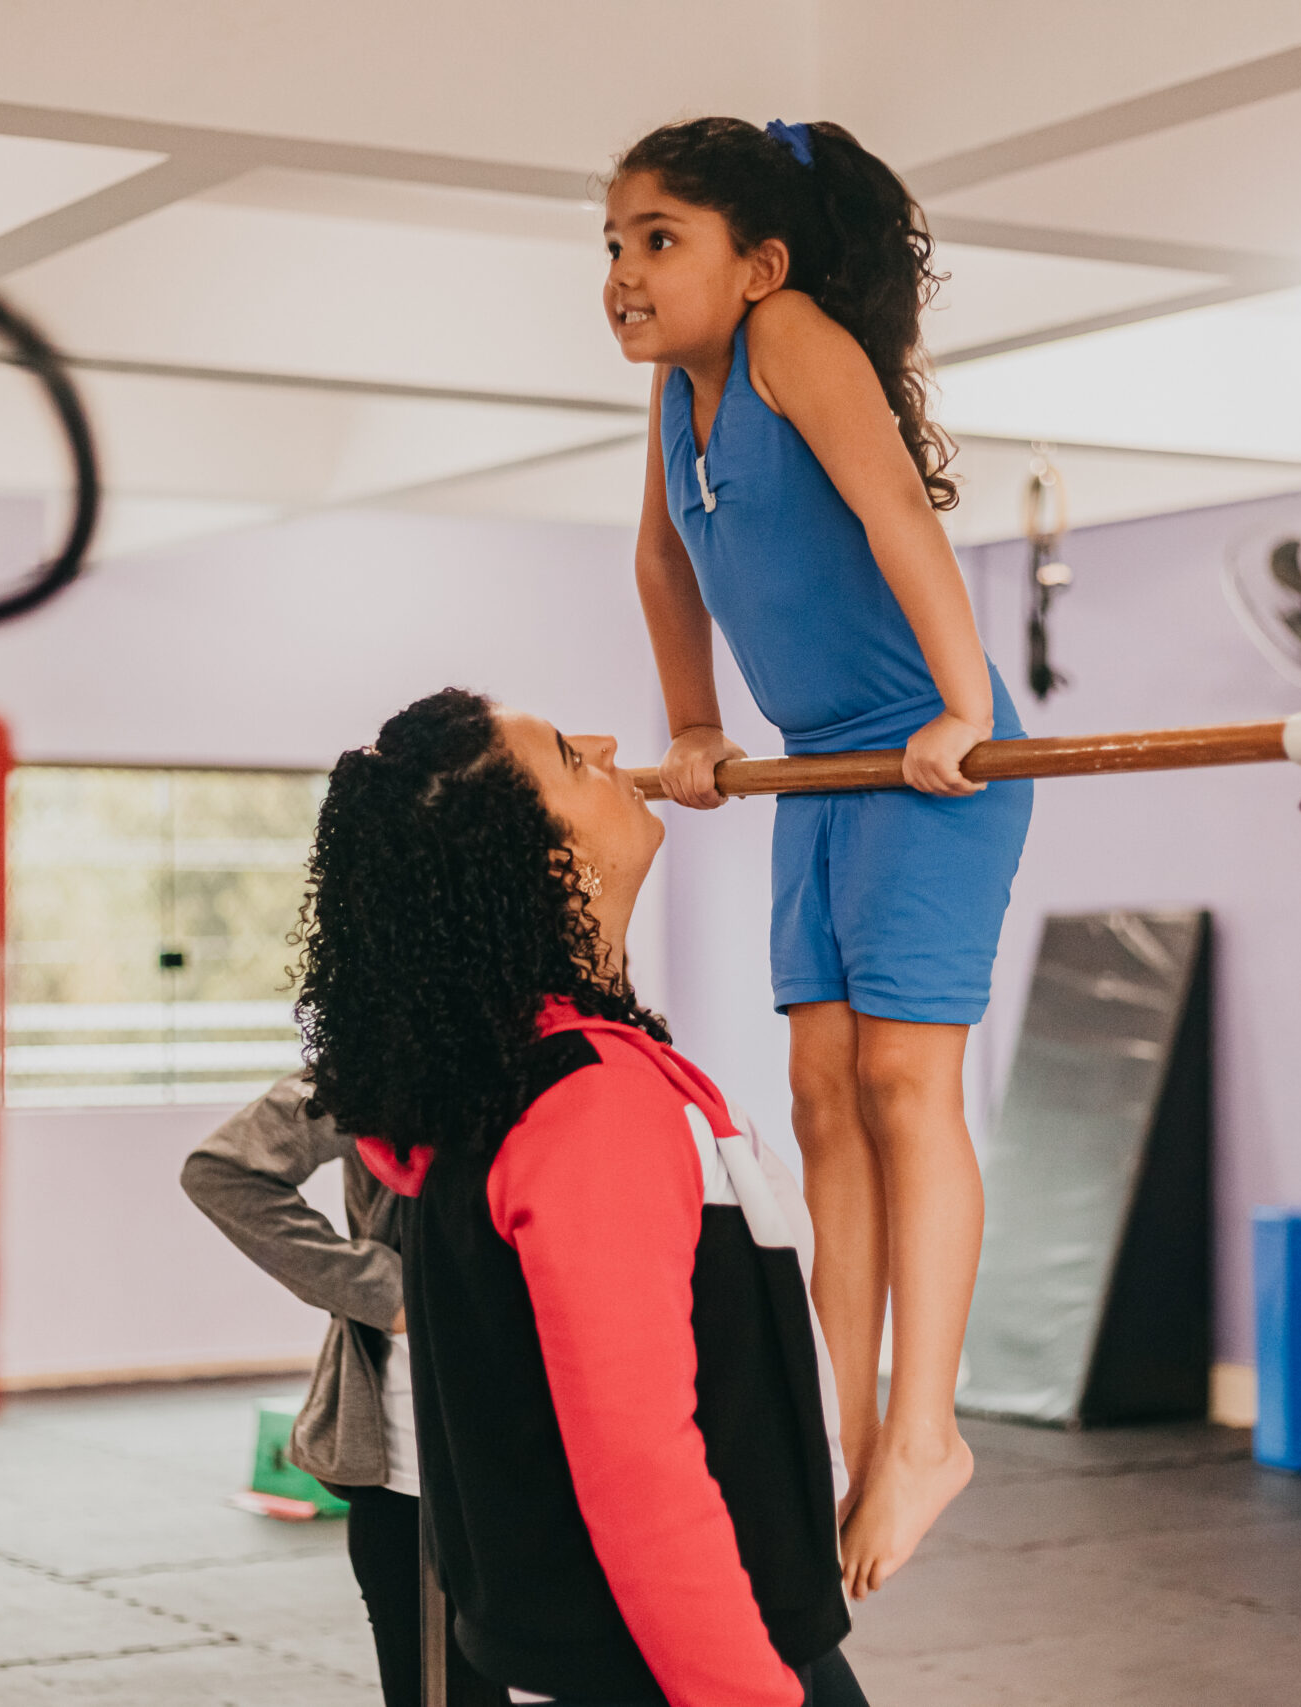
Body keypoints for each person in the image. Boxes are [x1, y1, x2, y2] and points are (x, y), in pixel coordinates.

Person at [607, 114, 1031, 1597]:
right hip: (822, 768)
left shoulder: (789, 339)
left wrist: (964, 709)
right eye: (614, 244)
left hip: (925, 750)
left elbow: (893, 507)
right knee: (818, 1095)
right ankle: (846, 1425)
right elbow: (662, 560)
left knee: (907, 1083)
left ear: (760, 264)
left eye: (661, 239)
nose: (624, 272)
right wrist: (692, 724)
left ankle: (928, 1431)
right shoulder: (676, 389)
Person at [301, 687, 865, 1707]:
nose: (607, 744)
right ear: (539, 856)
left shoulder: (533, 1075)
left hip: (699, 1636)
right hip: (688, 1664)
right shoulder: (587, 1105)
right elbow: (639, 1468)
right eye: (568, 754)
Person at [182, 1080, 508, 1707]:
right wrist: (387, 1293)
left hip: (555, 1462)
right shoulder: (379, 1059)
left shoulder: (590, 1061)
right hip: (412, 1467)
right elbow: (222, 1171)